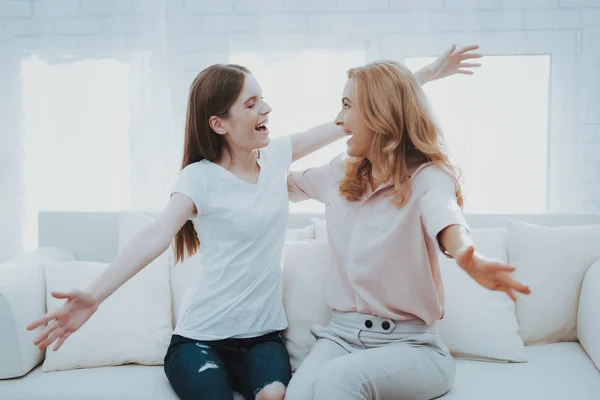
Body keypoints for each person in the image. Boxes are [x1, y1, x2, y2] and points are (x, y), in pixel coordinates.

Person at [26, 45, 482, 400]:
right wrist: (96, 293)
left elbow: (362, 116)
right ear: (220, 124)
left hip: (263, 336)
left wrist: (422, 77)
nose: (266, 109)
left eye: (263, 98)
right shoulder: (199, 178)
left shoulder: (277, 158)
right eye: (251, 104)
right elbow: (157, 233)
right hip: (201, 335)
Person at [285, 60, 531, 400]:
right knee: (298, 395)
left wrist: (465, 255)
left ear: (380, 113)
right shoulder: (337, 173)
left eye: (346, 106)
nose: (339, 120)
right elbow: (265, 177)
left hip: (412, 345)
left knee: (338, 380)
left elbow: (443, 213)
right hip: (341, 336)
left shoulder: (429, 178)